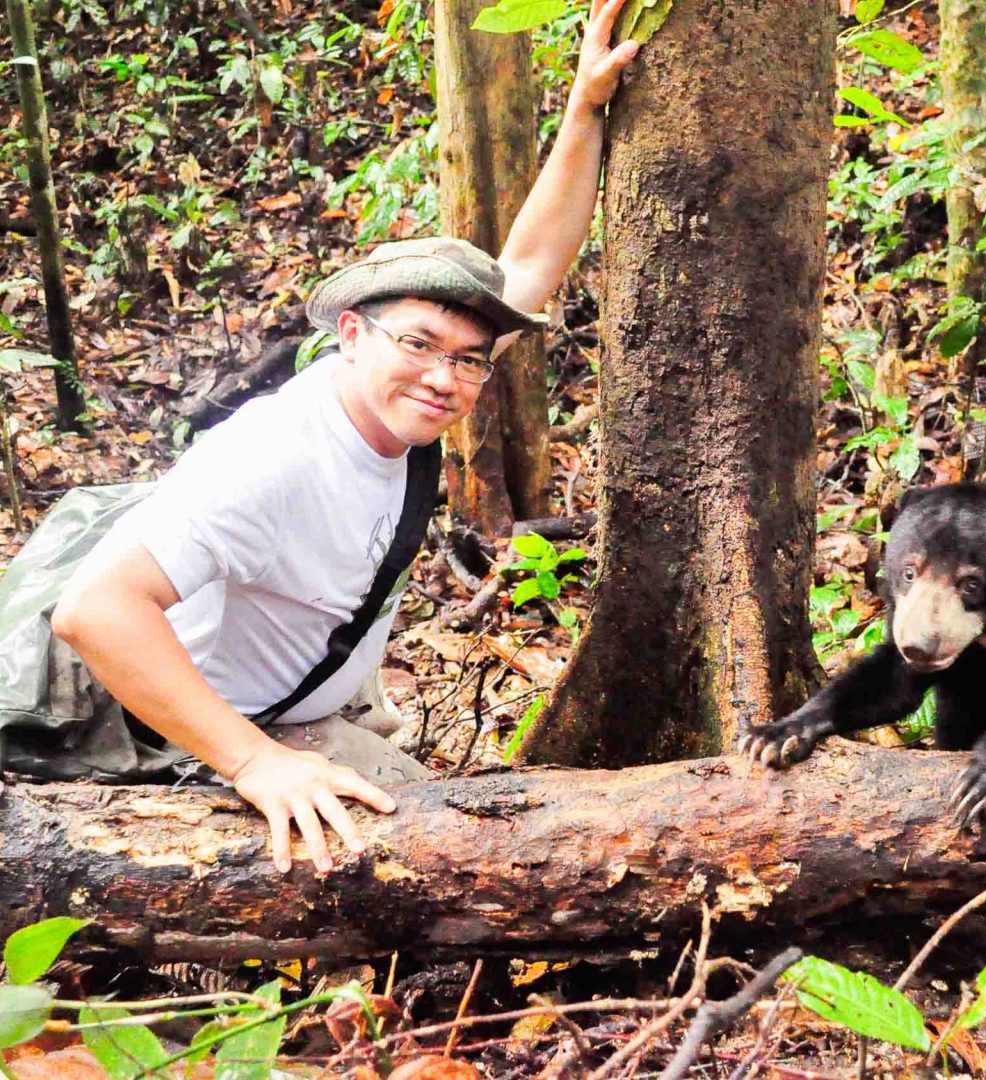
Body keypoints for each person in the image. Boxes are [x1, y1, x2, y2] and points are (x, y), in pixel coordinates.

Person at [49, 0, 640, 876]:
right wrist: (255, 761)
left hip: (323, 682)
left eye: (471, 360)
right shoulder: (275, 453)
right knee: (463, 863)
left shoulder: (413, 388)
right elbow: (93, 610)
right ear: (352, 336)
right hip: (216, 738)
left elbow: (528, 265)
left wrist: (583, 108)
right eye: (421, 346)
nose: (447, 378)